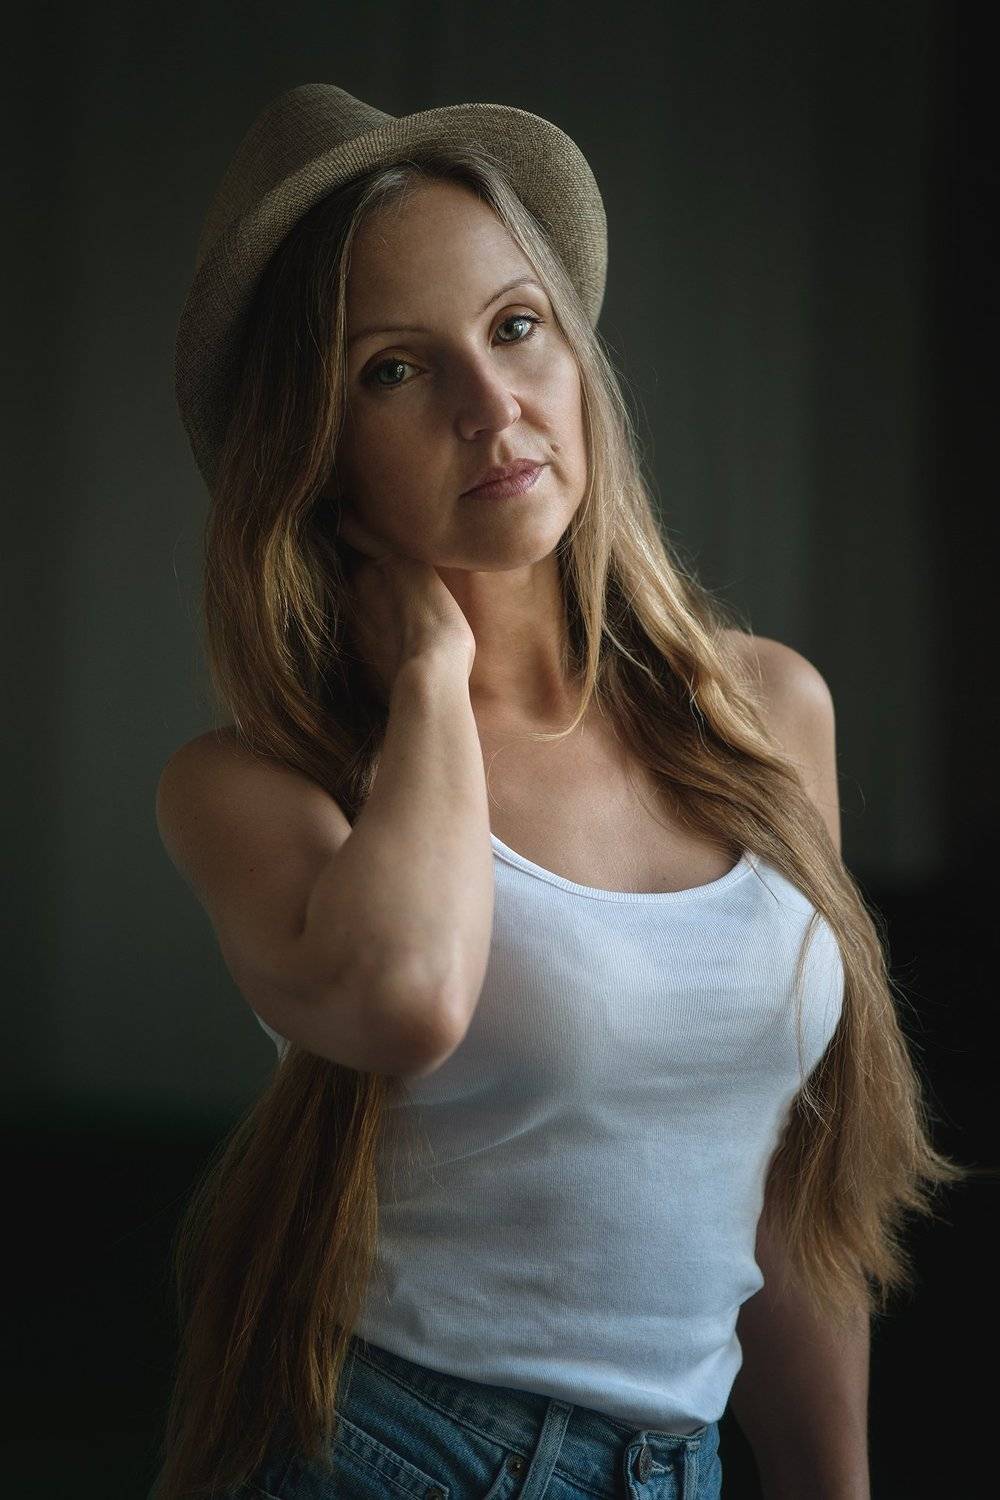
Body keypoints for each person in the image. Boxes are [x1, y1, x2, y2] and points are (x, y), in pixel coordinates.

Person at [149, 83, 965, 1500]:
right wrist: (429, 674)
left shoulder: (769, 713)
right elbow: (407, 999)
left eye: (515, 327)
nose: (492, 408)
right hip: (388, 1457)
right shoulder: (258, 783)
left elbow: (789, 1199)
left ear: (576, 355)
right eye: (393, 371)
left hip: (681, 1465)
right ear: (317, 454)